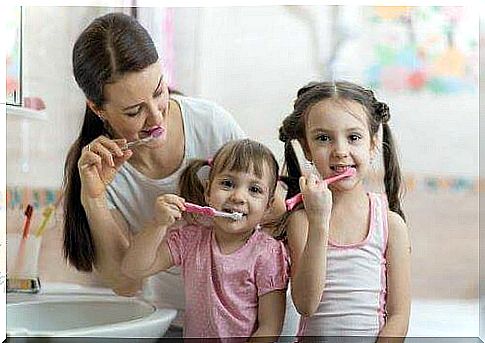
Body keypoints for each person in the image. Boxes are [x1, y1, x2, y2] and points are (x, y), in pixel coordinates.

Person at [62, 12, 246, 332]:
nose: (155, 118)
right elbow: (125, 283)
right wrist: (93, 198)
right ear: (97, 108)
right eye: (134, 111)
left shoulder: (212, 125)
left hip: (237, 320)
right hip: (168, 324)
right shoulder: (97, 167)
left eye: (159, 92)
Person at [278, 81, 411, 342]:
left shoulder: (390, 225)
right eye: (323, 138)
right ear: (307, 148)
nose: (340, 150)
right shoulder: (302, 220)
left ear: (372, 144)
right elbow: (306, 304)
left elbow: (399, 316)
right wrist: (319, 222)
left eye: (353, 137)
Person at [121, 139, 289, 339]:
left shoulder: (268, 254)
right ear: (208, 192)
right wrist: (158, 224)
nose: (238, 196)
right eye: (227, 184)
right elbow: (133, 269)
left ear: (268, 206)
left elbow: (270, 328)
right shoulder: (190, 240)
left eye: (254, 189)